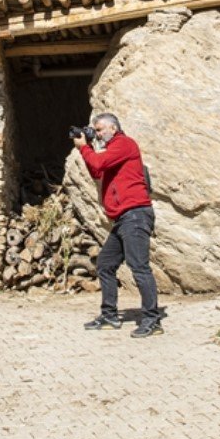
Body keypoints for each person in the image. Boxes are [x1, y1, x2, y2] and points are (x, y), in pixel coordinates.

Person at [71, 113, 162, 338]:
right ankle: (109, 315)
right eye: (96, 130)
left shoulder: (124, 144)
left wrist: (84, 147)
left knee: (139, 267)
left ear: (114, 127)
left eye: (100, 129)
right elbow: (96, 170)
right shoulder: (112, 151)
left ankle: (152, 320)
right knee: (105, 263)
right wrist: (89, 146)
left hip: (135, 214)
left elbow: (98, 162)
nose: (98, 133)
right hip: (123, 218)